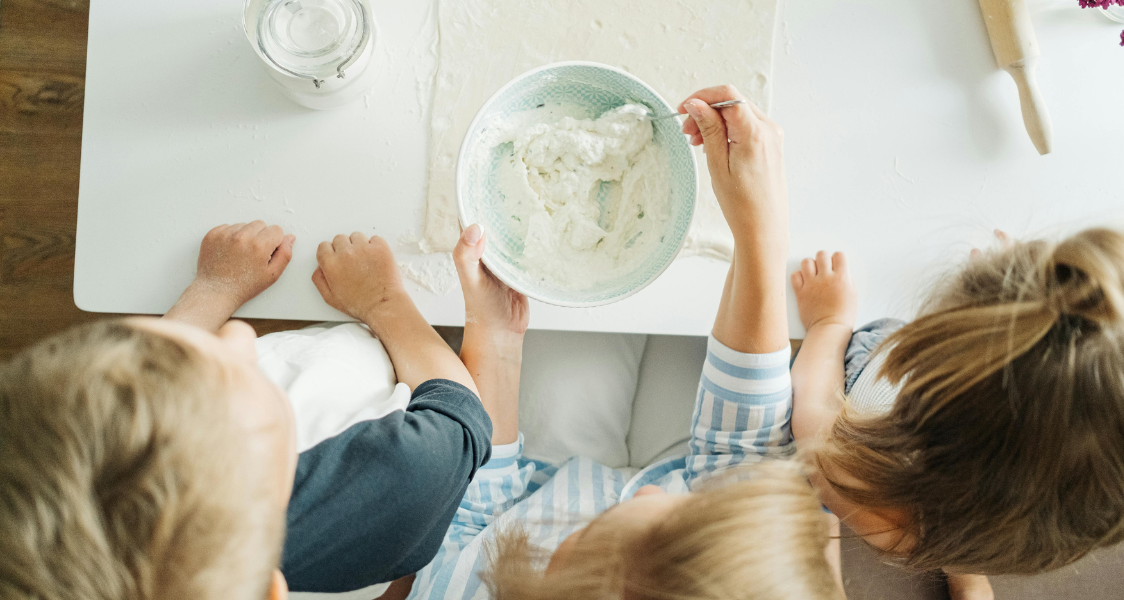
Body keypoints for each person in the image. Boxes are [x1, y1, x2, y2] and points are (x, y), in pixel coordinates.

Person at [405, 87, 843, 600]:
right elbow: (737, 458)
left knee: (573, 376)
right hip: (674, 463)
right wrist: (760, 233)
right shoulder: (755, 572)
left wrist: (494, 333)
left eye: (597, 530)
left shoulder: (462, 590)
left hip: (537, 487)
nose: (660, 492)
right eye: (685, 508)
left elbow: (471, 505)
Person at [0, 223, 492, 598]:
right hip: (396, 365)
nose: (238, 333)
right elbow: (460, 409)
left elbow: (139, 385)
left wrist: (214, 290)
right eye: (244, 370)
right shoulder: (405, 480)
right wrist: (384, 302)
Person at [789, 228, 1124, 600]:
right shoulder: (1043, 523)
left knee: (812, 487)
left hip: (861, 414)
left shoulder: (886, 513)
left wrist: (829, 322)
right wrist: (1010, 295)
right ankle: (965, 567)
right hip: (978, 516)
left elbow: (815, 417)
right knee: (969, 531)